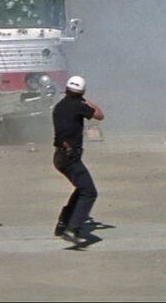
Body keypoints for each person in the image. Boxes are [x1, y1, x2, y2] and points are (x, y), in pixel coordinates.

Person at [52, 75, 105, 246]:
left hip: (59, 156)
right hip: (70, 157)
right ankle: (72, 229)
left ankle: (63, 223)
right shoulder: (78, 106)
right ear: (81, 92)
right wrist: (87, 102)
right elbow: (99, 115)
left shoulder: (59, 107)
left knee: (81, 188)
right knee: (89, 192)